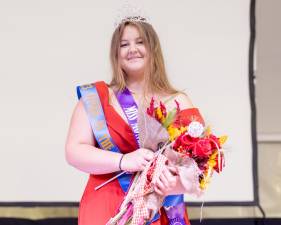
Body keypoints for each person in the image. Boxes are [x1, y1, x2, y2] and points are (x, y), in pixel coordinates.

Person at [65, 15, 204, 225]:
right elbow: (74, 151)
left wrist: (174, 184)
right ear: (116, 54)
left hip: (160, 206)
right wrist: (123, 161)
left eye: (140, 42)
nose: (132, 49)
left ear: (153, 49)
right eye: (124, 44)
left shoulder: (178, 102)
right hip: (107, 205)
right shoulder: (97, 98)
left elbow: (200, 165)